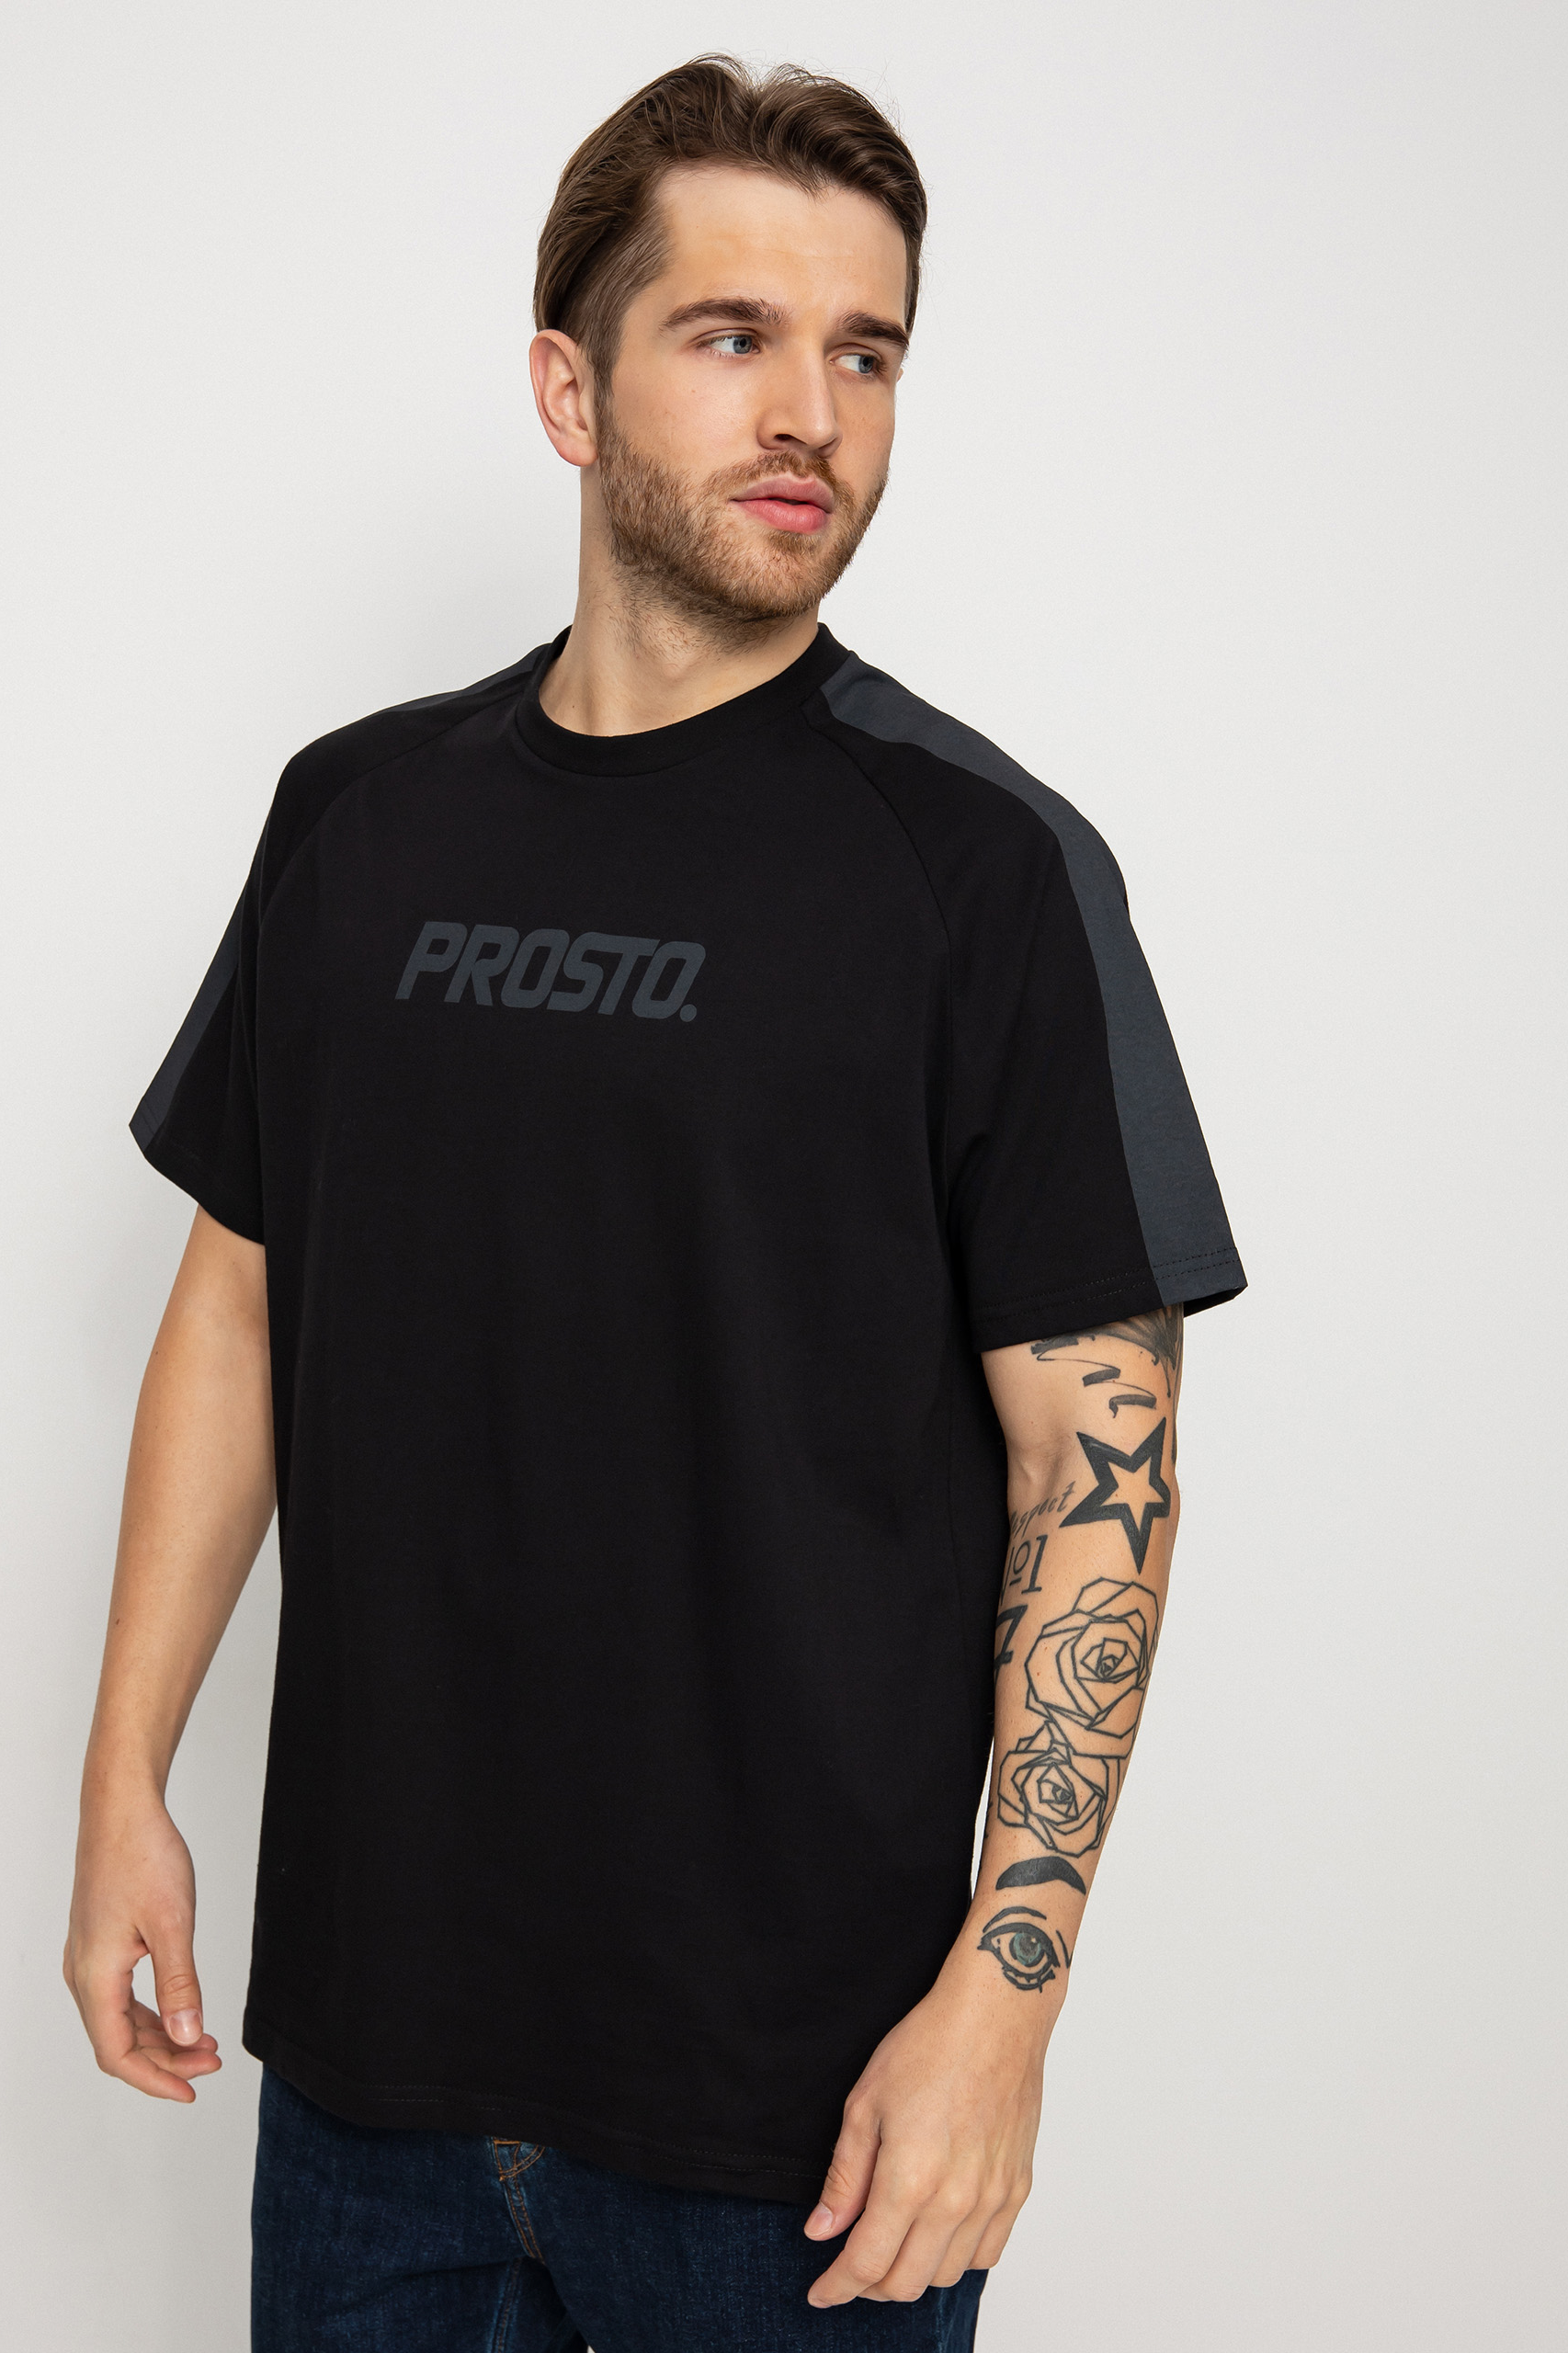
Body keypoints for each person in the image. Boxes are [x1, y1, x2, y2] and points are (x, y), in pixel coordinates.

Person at [64, 54, 1244, 2352]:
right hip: (372, 2071)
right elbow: (238, 1306)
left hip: (800, 2120)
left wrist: (1001, 2007)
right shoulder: (359, 817)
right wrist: (124, 1781)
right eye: (734, 335)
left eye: (868, 351)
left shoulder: (984, 872)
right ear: (568, 386)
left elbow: (1096, 1466)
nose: (813, 411)